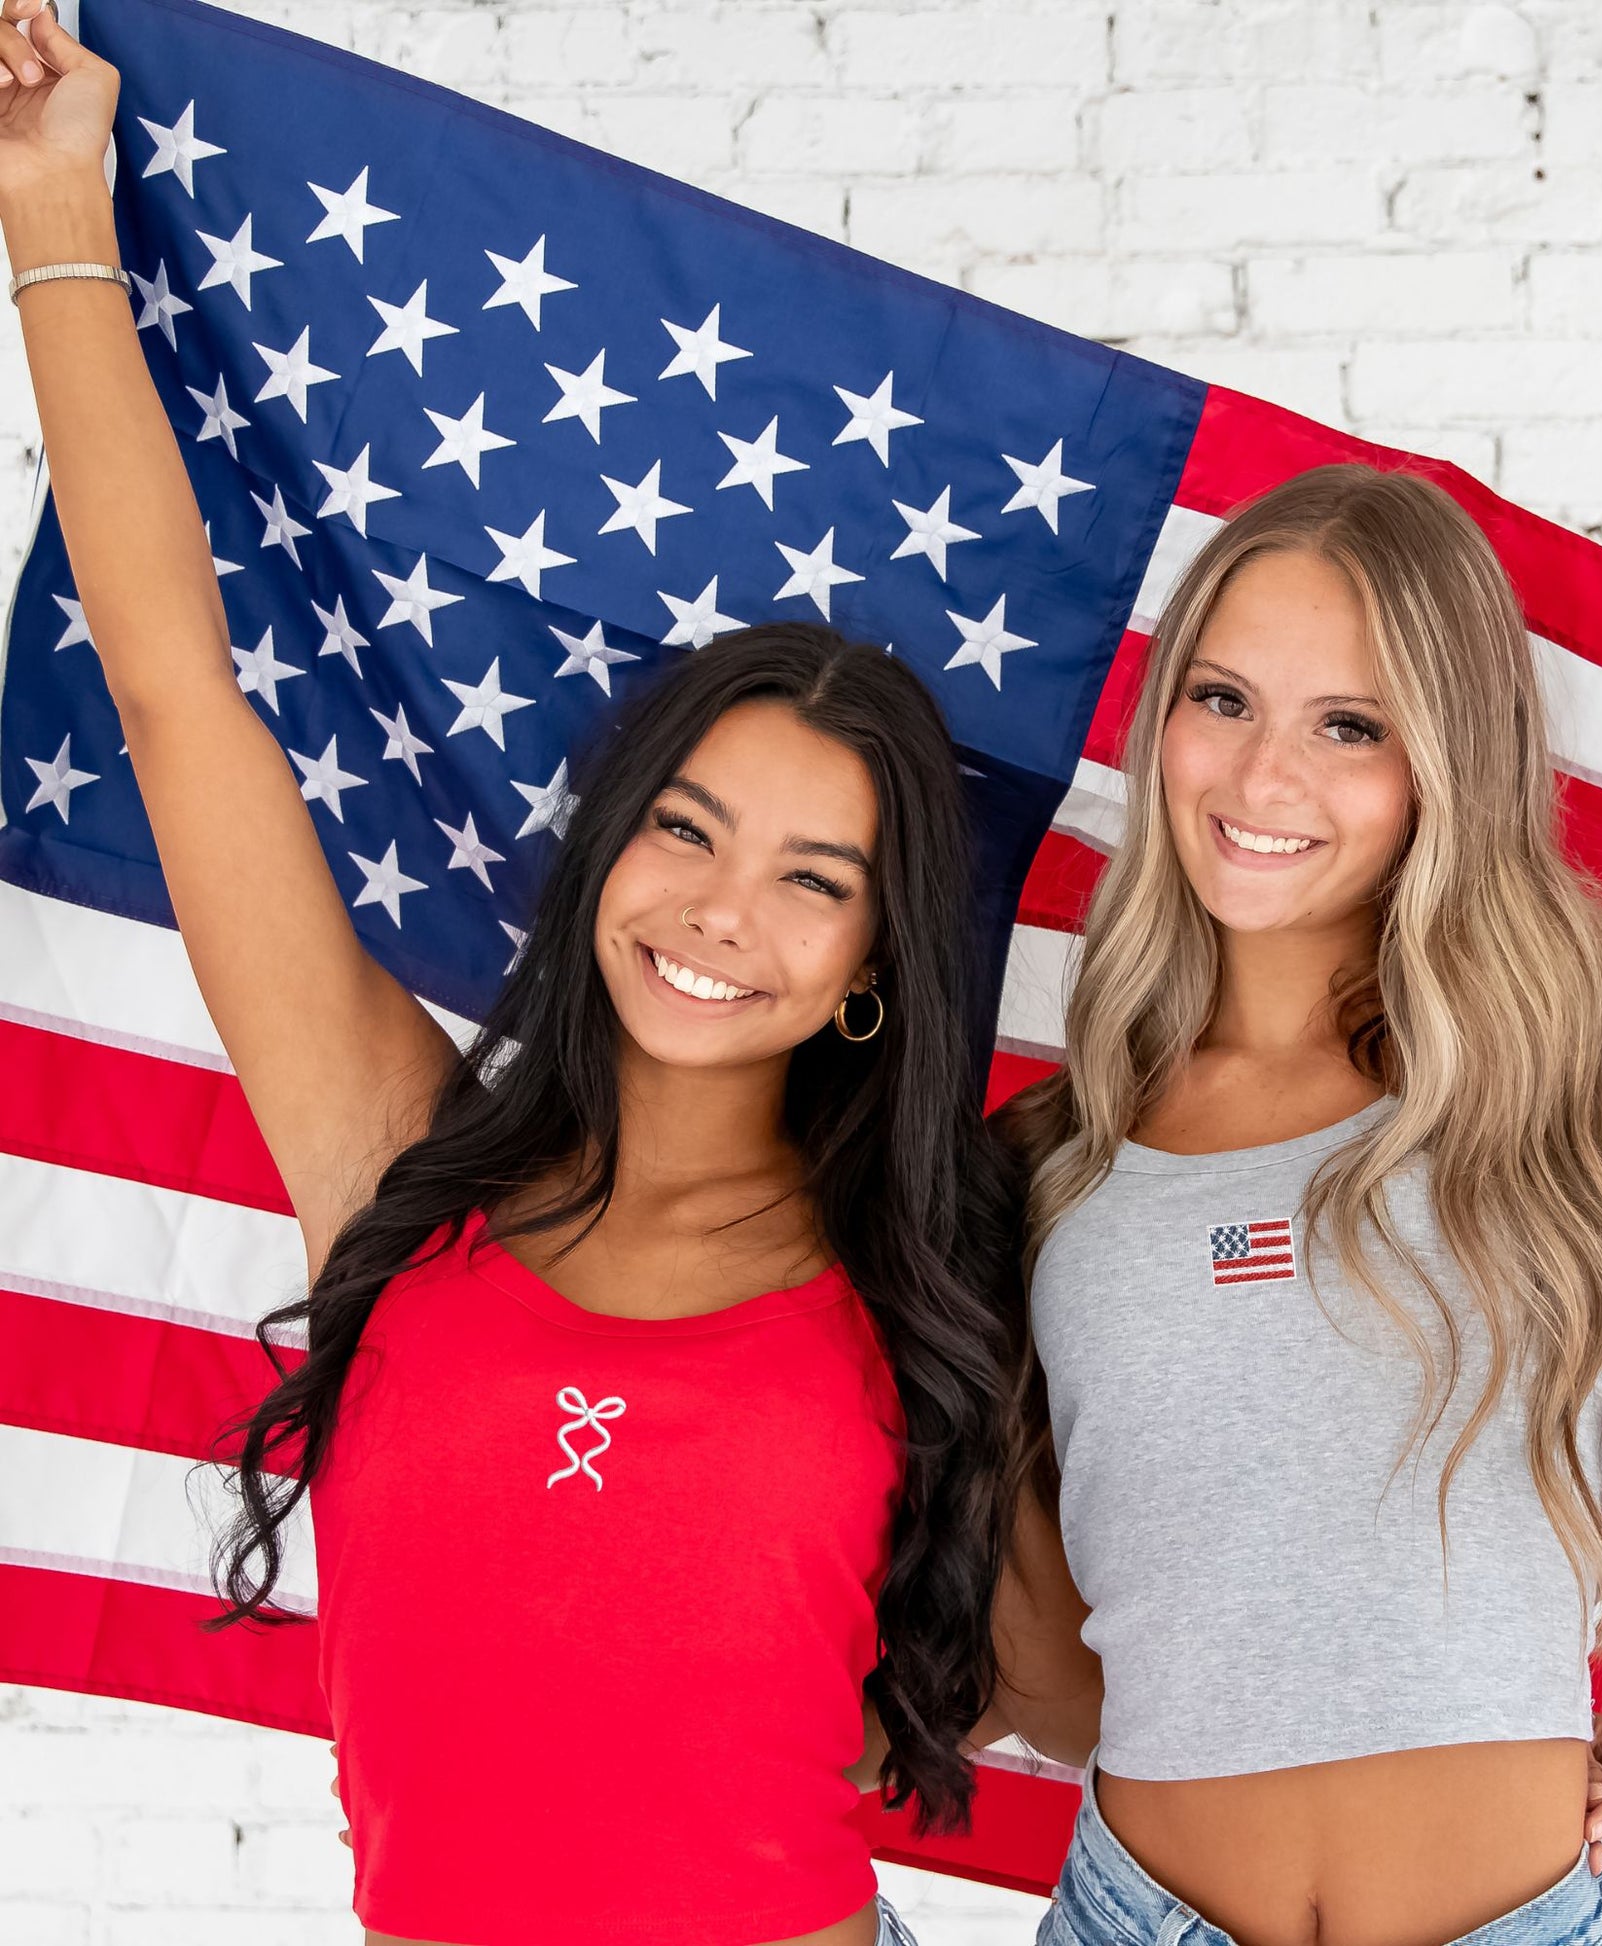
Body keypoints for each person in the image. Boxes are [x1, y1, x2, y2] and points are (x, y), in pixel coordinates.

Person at [0, 9, 1022, 1943]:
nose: (725, 912)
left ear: (875, 963)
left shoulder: (931, 1272)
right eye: (689, 830)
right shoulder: (401, 1156)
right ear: (606, 845)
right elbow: (173, 693)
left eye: (817, 879)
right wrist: (54, 206)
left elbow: (1090, 1660)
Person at [984, 460, 1602, 1946]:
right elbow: (1064, 1672)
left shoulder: (1579, 1044)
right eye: (1221, 700)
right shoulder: (1050, 1159)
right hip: (1132, 1914)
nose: (1260, 780)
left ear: (1446, 756)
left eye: (1348, 726)